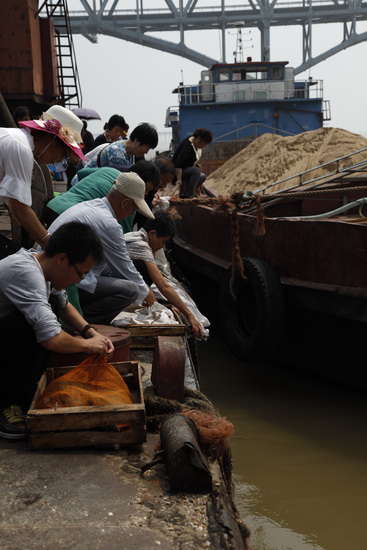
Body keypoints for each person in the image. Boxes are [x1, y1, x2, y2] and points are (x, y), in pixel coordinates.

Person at [0, 221, 114, 440]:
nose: (79, 280)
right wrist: (89, 345)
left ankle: (20, 392)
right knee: (34, 327)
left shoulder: (43, 268)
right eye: (80, 273)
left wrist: (90, 332)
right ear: (62, 258)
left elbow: (63, 305)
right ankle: (5, 402)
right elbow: (51, 339)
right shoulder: (27, 272)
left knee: (51, 307)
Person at [46, 172, 156, 325]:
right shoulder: (108, 222)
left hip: (56, 271)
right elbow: (124, 266)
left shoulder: (92, 205)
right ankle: (84, 321)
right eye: (134, 209)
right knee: (131, 290)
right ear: (124, 203)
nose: (132, 214)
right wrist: (145, 293)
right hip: (63, 278)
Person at [0, 105, 85, 248]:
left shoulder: (18, 140)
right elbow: (20, 208)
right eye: (64, 154)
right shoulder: (22, 149)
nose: (59, 160)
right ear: (52, 141)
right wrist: (50, 244)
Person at [124, 211, 202, 337]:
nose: (162, 247)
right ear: (153, 234)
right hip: (111, 285)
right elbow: (163, 286)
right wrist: (189, 315)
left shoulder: (132, 236)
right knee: (144, 268)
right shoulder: (140, 245)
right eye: (163, 241)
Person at [44, 160, 160, 232]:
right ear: (138, 180)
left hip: (53, 206)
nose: (145, 194)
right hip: (69, 217)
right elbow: (124, 235)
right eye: (146, 189)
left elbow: (81, 173)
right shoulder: (127, 196)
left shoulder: (110, 171)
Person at [70, 123, 158, 186]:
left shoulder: (129, 151)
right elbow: (121, 183)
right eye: (147, 148)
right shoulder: (117, 153)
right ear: (136, 141)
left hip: (92, 183)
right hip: (82, 184)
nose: (146, 152)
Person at [172, 128, 213, 198]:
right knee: (196, 171)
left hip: (186, 171)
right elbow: (178, 165)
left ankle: (186, 192)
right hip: (177, 173)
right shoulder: (187, 147)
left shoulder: (194, 142)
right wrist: (178, 180)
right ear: (199, 139)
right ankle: (190, 195)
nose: (204, 146)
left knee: (202, 176)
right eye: (204, 143)